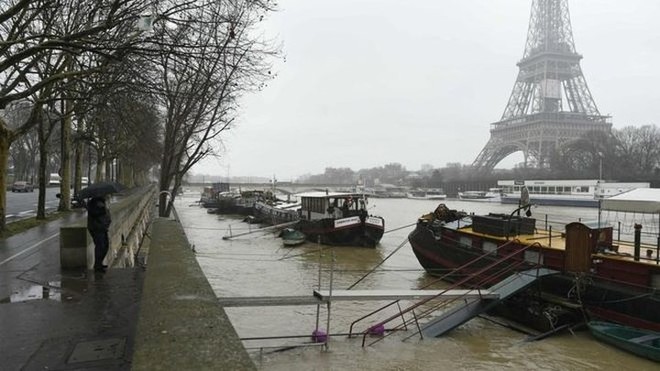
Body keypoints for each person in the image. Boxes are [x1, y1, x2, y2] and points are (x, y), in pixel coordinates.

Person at [87, 196, 111, 272]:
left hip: (102, 228)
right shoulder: (94, 203)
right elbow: (96, 214)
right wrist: (104, 209)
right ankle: (97, 266)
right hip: (97, 229)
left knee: (105, 246)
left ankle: (99, 263)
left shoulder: (100, 203)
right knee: (100, 247)